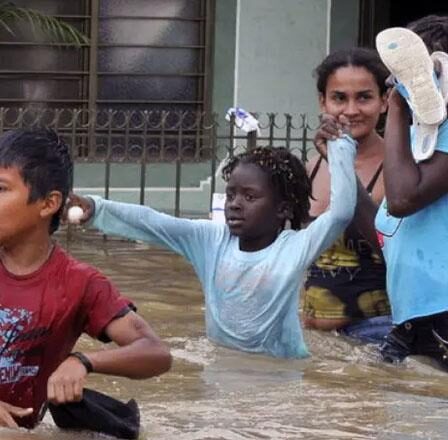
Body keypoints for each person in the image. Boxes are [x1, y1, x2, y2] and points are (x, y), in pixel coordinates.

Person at [68, 138, 357, 360]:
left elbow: (341, 213)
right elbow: (152, 223)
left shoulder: (295, 247)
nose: (234, 203)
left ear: (282, 209)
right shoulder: (210, 241)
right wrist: (96, 208)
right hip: (222, 363)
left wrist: (339, 148)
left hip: (280, 371)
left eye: (249, 196)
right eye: (231, 194)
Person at [0, 129, 172, 430]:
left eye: (1, 189)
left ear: (48, 203)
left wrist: (83, 361)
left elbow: (156, 353)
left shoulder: (80, 283)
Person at [372, 15, 448, 369]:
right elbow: (390, 227)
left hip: (441, 312)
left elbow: (403, 199)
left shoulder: (436, 135)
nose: (391, 80)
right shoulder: (420, 139)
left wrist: (397, 108)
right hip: (414, 314)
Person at [302, 48, 392, 343]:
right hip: (314, 337)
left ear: (384, 101)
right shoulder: (310, 169)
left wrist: (340, 167)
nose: (350, 110)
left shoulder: (399, 170)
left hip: (377, 336)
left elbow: (394, 251)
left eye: (364, 97)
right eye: (339, 98)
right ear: (322, 102)